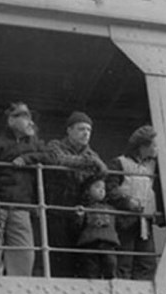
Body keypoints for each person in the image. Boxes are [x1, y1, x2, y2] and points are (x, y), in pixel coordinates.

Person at [0, 102, 55, 276]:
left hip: (21, 208)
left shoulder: (34, 146)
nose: (31, 122)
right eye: (25, 116)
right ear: (11, 120)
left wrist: (27, 158)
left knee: (24, 256)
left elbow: (52, 157)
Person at [45, 111, 107, 278]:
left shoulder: (93, 155)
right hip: (56, 210)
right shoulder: (55, 145)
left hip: (80, 214)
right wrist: (90, 163)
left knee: (80, 260)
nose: (86, 133)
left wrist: (96, 166)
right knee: (59, 260)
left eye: (88, 130)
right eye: (81, 129)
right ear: (69, 130)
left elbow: (102, 173)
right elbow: (59, 160)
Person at [106, 125, 159, 280]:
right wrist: (127, 202)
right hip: (124, 221)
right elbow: (110, 189)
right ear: (143, 146)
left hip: (145, 222)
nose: (157, 149)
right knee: (124, 262)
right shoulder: (119, 163)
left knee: (147, 264)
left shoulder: (153, 165)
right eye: (154, 145)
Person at [74, 174, 119, 279]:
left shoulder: (110, 208)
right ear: (87, 190)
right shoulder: (85, 208)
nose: (101, 190)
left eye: (103, 188)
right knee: (91, 268)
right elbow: (77, 227)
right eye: (97, 187)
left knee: (110, 263)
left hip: (108, 242)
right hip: (90, 242)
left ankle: (111, 281)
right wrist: (79, 216)